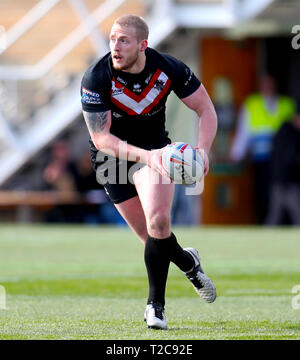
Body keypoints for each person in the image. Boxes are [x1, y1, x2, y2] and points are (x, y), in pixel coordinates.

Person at [81, 14, 218, 330]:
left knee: (159, 222)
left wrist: (203, 149)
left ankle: (155, 307)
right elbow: (102, 138)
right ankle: (188, 263)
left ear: (142, 45)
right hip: (113, 156)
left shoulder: (168, 68)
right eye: (113, 38)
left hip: (156, 150)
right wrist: (148, 156)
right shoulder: (96, 77)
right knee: (152, 238)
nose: (115, 46)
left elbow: (205, 109)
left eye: (124, 40)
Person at [230, 75, 295, 224]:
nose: (268, 87)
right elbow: (243, 131)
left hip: (282, 159)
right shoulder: (252, 104)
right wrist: (236, 153)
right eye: (265, 84)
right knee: (263, 192)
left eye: (270, 83)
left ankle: (284, 223)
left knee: (283, 190)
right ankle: (264, 222)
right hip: (260, 159)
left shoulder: (287, 104)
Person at [265, 101, 300, 225]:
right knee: (276, 216)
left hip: (285, 182)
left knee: (277, 216)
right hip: (285, 183)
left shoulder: (290, 131)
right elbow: (287, 158)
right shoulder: (287, 132)